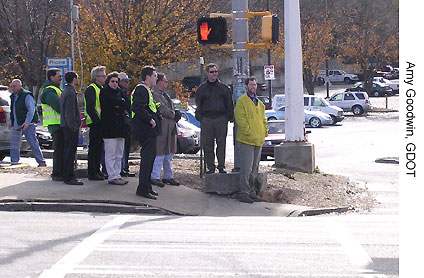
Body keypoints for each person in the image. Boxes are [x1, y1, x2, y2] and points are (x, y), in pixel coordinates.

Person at [234, 77, 268, 203]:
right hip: (246, 141)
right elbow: (240, 120)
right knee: (246, 169)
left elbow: (264, 120)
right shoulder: (241, 102)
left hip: (258, 140)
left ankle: (252, 192)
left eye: (255, 84)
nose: (253, 87)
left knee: (254, 169)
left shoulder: (260, 104)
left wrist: (265, 131)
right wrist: (248, 132)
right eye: (251, 85)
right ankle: (244, 192)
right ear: (246, 86)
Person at [195, 63, 233, 174]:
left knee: (221, 144)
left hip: (221, 118)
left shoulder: (223, 88)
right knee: (208, 144)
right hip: (207, 119)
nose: (214, 74)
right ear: (207, 73)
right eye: (212, 72)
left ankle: (221, 166)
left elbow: (229, 104)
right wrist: (200, 117)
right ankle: (210, 166)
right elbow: (198, 104)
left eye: (216, 71)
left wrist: (228, 117)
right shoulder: (201, 89)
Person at [131, 66, 161, 200]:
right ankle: (142, 189)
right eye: (155, 76)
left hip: (149, 130)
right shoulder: (141, 89)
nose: (156, 78)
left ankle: (147, 187)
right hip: (145, 129)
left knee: (151, 159)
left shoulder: (147, 90)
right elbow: (137, 107)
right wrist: (150, 119)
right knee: (147, 160)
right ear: (147, 76)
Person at [100, 72, 131, 185]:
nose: (115, 84)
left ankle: (117, 174)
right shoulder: (104, 92)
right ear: (108, 82)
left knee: (119, 154)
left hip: (121, 128)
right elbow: (110, 102)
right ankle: (111, 175)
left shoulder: (120, 92)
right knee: (110, 153)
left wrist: (120, 103)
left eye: (116, 82)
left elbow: (127, 102)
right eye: (112, 81)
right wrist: (119, 103)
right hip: (109, 128)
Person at [150, 73, 181, 187]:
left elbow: (170, 107)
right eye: (165, 81)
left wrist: (176, 113)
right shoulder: (154, 95)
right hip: (162, 127)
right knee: (160, 152)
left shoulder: (165, 95)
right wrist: (174, 114)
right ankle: (155, 176)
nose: (167, 83)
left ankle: (168, 176)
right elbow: (162, 109)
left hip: (170, 127)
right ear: (159, 82)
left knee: (169, 153)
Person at [9, 79, 46, 166]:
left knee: (32, 142)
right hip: (17, 123)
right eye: (12, 86)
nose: (13, 88)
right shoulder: (13, 96)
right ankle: (14, 161)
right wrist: (11, 121)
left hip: (28, 123)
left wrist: (27, 122)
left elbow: (31, 110)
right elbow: (13, 110)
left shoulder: (26, 95)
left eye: (14, 86)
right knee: (14, 144)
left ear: (20, 86)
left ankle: (41, 162)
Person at [40, 68, 64, 181]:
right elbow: (59, 107)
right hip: (56, 125)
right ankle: (57, 173)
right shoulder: (49, 91)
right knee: (59, 149)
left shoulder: (56, 89)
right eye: (58, 76)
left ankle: (60, 172)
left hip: (60, 124)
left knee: (61, 149)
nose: (61, 77)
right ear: (51, 77)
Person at [60, 71, 83, 185]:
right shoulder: (70, 93)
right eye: (77, 78)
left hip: (67, 126)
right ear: (74, 78)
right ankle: (69, 176)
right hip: (70, 127)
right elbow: (69, 113)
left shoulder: (67, 91)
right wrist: (74, 126)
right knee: (70, 152)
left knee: (68, 151)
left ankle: (67, 175)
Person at [84, 66, 106, 181]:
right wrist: (98, 121)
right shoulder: (91, 89)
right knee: (94, 149)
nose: (105, 77)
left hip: (100, 123)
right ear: (97, 77)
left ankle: (97, 170)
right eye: (103, 75)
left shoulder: (101, 88)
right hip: (95, 123)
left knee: (98, 149)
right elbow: (90, 108)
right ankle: (92, 172)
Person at [118, 72, 135, 178]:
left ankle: (125, 168)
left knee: (126, 147)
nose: (127, 83)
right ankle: (122, 169)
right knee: (122, 148)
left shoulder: (124, 92)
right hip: (123, 124)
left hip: (127, 123)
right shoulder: (119, 93)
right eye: (125, 81)